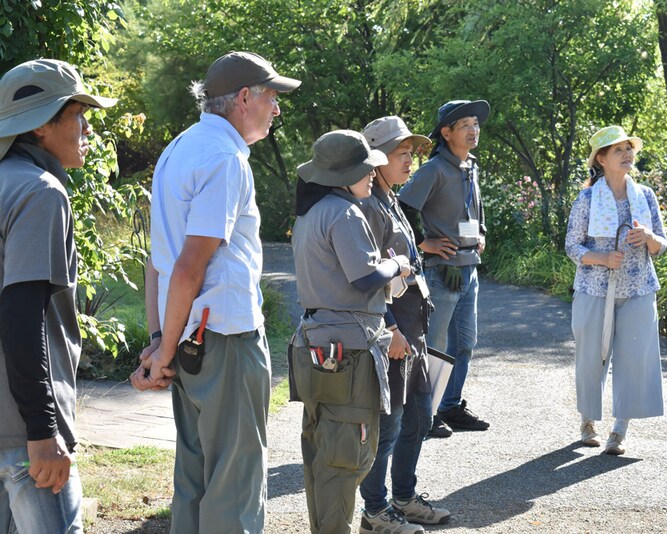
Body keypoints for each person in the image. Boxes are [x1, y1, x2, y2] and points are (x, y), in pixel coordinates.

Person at [129, 51, 300, 532]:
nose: (278, 109)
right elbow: (187, 266)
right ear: (245, 97)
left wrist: (162, 341)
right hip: (224, 339)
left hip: (190, 340)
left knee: (196, 480)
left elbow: (157, 263)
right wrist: (163, 348)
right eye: (272, 97)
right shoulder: (224, 159)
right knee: (235, 488)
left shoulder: (180, 148)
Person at [0, 58, 116, 533]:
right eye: (79, 114)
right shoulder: (40, 192)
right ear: (43, 125)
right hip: (23, 436)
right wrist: (42, 430)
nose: (87, 127)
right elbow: (21, 317)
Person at [289, 129, 412, 534]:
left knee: (323, 450)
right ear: (342, 176)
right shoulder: (344, 213)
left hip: (318, 344)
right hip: (350, 350)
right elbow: (364, 278)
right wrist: (398, 265)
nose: (373, 177)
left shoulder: (312, 211)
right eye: (366, 171)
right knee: (348, 455)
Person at [357, 116, 451, 533]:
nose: (410, 160)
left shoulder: (390, 197)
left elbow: (405, 265)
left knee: (419, 420)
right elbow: (367, 278)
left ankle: (405, 499)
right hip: (394, 333)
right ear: (376, 159)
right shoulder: (366, 205)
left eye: (412, 152)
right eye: (402, 153)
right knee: (390, 425)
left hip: (416, 328)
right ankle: (375, 512)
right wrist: (391, 329)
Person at [565, 125, 667, 456]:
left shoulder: (646, 196)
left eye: (629, 148)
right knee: (592, 358)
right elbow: (572, 246)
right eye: (618, 150)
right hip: (594, 288)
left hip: (638, 288)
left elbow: (661, 244)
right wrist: (601, 258)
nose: (627, 154)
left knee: (634, 360)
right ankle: (587, 422)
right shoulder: (586, 198)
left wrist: (650, 238)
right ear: (601, 159)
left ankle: (619, 431)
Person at [398, 99, 491, 438]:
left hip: (470, 268)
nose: (473, 129)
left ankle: (450, 406)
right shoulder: (434, 169)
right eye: (465, 124)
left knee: (465, 342)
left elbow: (473, 211)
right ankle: (427, 413)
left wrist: (480, 233)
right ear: (446, 132)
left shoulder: (472, 166)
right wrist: (425, 244)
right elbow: (401, 209)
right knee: (434, 345)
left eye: (475, 124)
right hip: (442, 271)